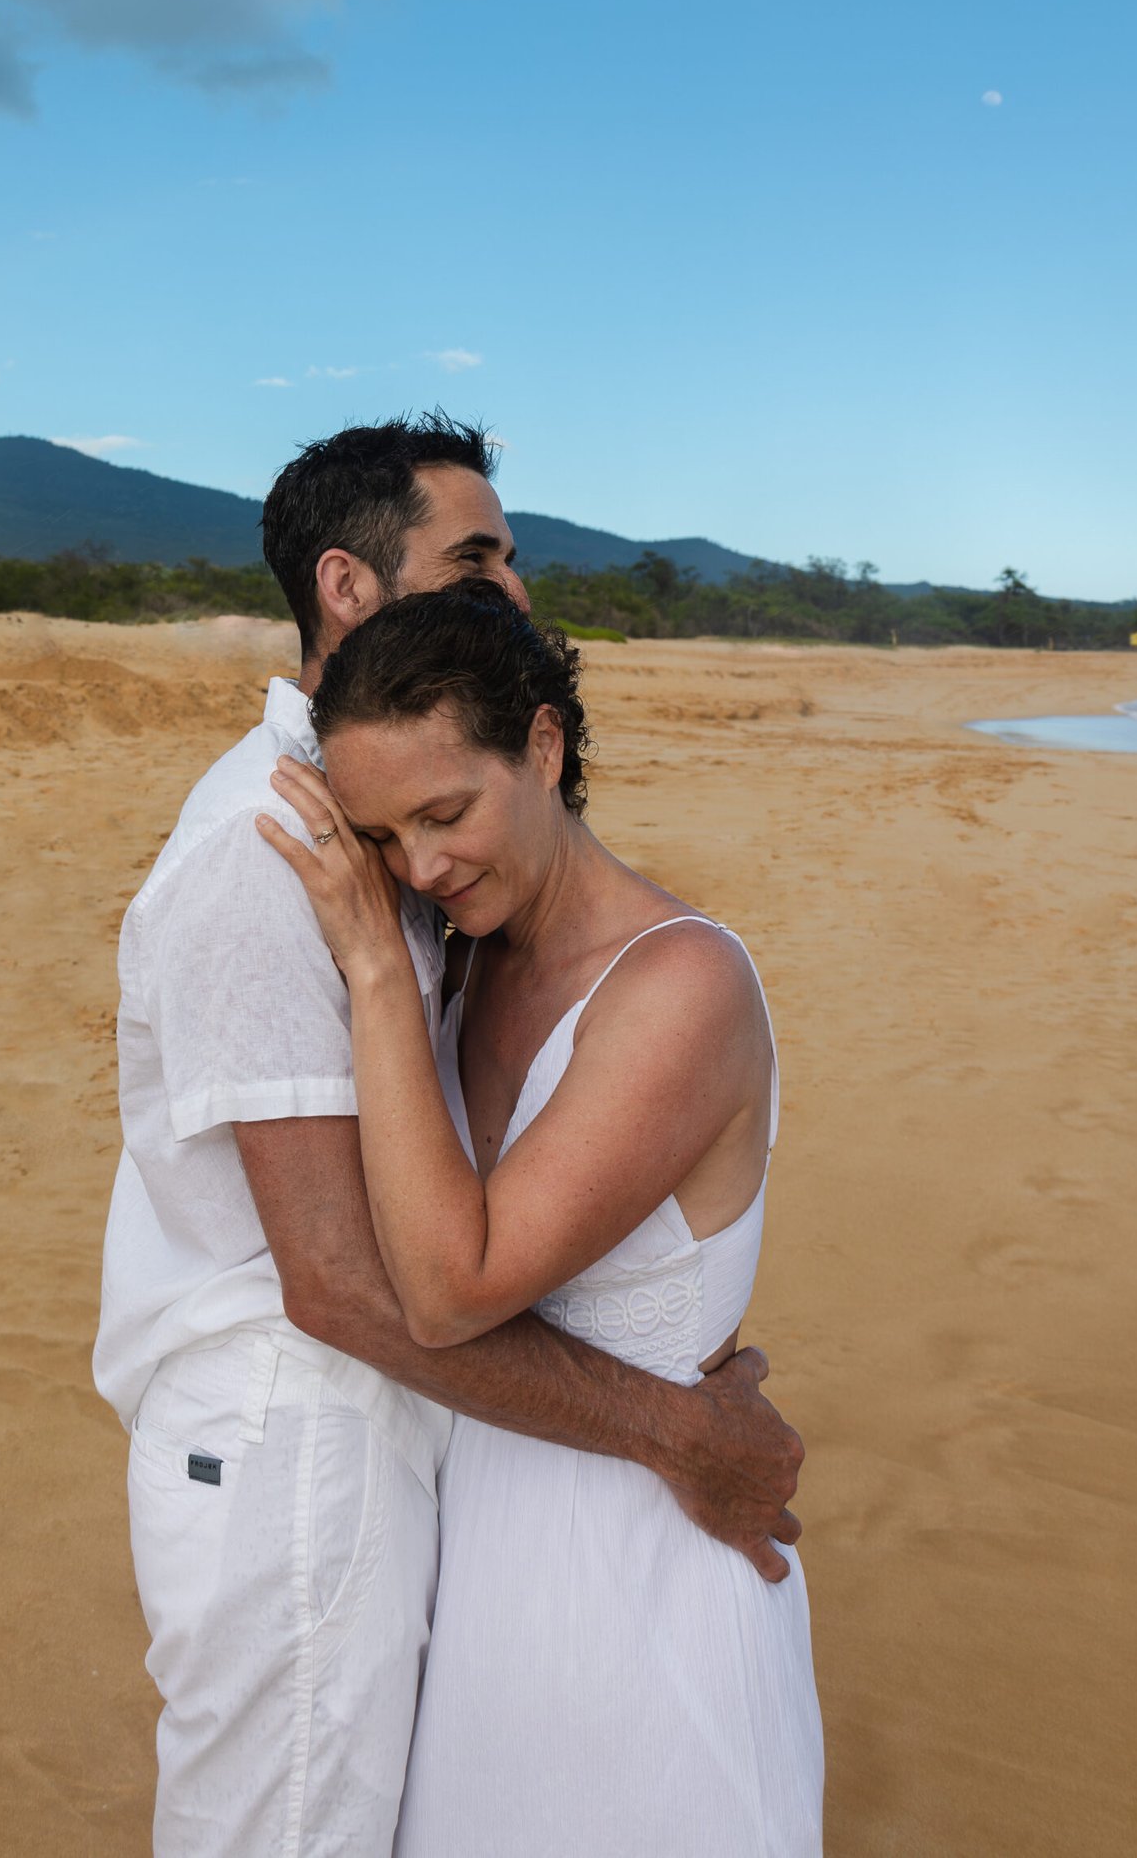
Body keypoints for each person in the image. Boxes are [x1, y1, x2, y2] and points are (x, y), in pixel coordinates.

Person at [95, 415, 807, 1857]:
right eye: (472, 561)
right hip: (300, 1439)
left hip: (453, 1480)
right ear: (350, 588)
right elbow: (350, 1283)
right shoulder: (278, 850)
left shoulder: (411, 875)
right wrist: (678, 1425)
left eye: (513, 562)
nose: (512, 593)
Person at [260, 580, 824, 1855]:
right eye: (385, 837)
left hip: (652, 1574)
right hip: (477, 1573)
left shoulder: (680, 983)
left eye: (447, 811)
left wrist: (369, 971)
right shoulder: (467, 953)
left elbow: (455, 1286)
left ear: (546, 746)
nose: (421, 867)